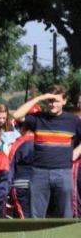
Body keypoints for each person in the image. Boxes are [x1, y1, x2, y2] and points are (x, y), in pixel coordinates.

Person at [13, 85, 81, 218]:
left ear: (64, 101)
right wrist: (40, 98)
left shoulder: (73, 121)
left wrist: (76, 152)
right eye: (50, 101)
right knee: (36, 217)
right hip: (39, 173)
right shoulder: (38, 118)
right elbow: (17, 115)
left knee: (65, 215)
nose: (53, 104)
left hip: (63, 173)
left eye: (56, 101)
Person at [8, 118, 35, 218]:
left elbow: (10, 166)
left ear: (24, 128)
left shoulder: (18, 143)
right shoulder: (44, 142)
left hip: (21, 184)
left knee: (23, 217)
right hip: (41, 185)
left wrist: (7, 188)